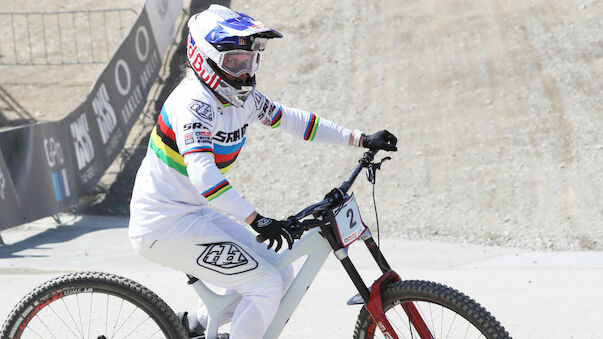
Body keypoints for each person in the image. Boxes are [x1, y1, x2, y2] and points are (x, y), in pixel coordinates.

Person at [128, 4, 397, 339]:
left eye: (250, 61)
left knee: (279, 272)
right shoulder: (193, 105)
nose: (244, 72)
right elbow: (204, 176)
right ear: (205, 58)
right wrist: (255, 219)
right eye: (234, 62)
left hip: (191, 214)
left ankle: (192, 327)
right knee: (265, 284)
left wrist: (359, 139)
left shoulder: (243, 100)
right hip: (162, 226)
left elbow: (294, 121)